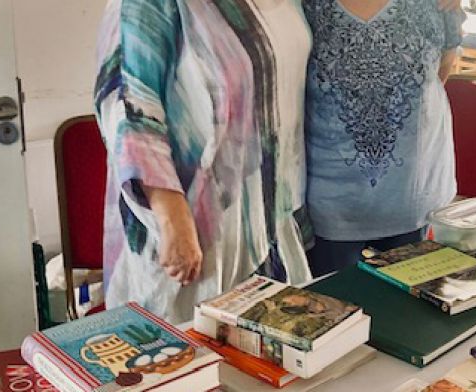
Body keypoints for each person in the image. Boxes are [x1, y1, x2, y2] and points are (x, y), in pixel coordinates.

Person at [94, 0, 313, 323]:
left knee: (272, 365)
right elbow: (129, 105)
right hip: (191, 234)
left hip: (272, 228)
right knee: (190, 364)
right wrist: (172, 218)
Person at [303, 0, 466, 276]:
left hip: (416, 201)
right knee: (337, 311)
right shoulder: (302, 7)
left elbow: (440, 69)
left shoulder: (439, 5)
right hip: (330, 206)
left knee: (412, 315)